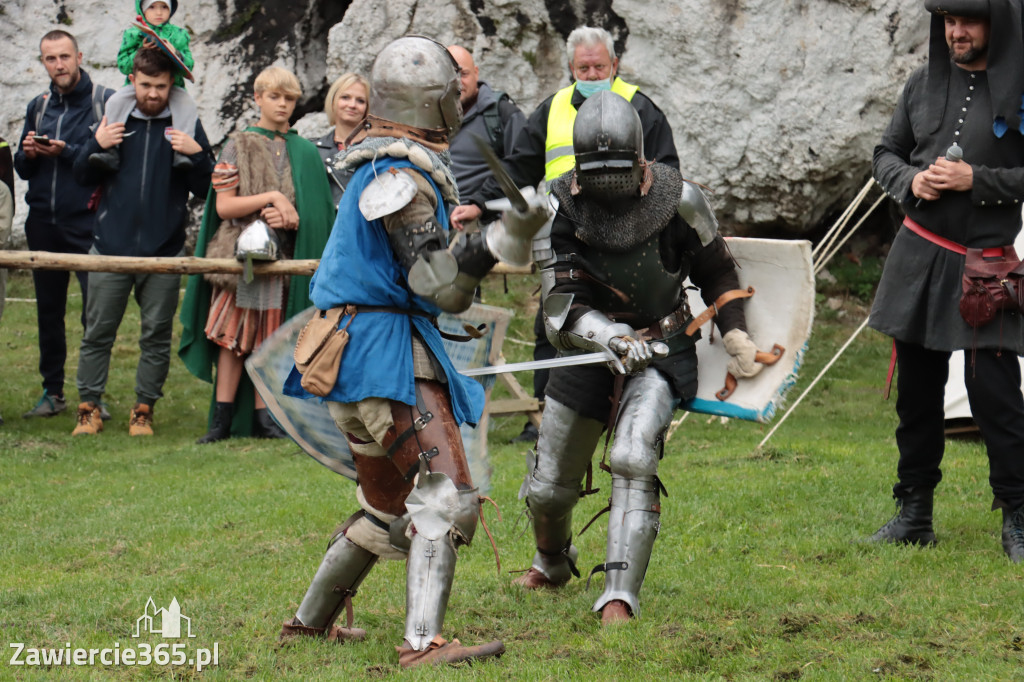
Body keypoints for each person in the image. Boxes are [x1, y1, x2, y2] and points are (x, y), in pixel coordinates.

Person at [278, 36, 549, 667]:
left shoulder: (380, 166)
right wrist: (505, 235)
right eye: (454, 91)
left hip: (351, 356)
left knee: (385, 508)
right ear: (436, 102)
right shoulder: (401, 178)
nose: (461, 100)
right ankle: (422, 643)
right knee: (443, 497)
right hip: (386, 359)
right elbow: (438, 286)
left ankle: (307, 624)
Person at [514, 91, 764, 624]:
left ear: (639, 160)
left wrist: (735, 331)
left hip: (662, 349)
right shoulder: (556, 205)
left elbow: (718, 271)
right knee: (548, 487)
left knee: (632, 456)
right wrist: (606, 335)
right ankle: (552, 560)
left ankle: (619, 594)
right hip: (588, 353)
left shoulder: (681, 201)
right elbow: (558, 305)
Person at [450, 26, 680, 444]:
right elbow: (519, 167)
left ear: (615, 65)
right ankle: (543, 419)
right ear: (570, 68)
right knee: (555, 323)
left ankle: (635, 411)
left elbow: (667, 175)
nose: (591, 75)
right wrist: (481, 204)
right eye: (583, 68)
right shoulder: (553, 107)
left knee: (630, 325)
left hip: (628, 242)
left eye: (598, 67)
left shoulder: (641, 109)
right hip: (565, 239)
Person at [868, 0, 1024, 562]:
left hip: (989, 267)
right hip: (920, 256)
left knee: (997, 397)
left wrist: (975, 179)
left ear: (997, 22)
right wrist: (912, 181)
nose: (956, 30)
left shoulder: (1022, 87)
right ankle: (914, 513)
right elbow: (884, 154)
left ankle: (1018, 518)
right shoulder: (921, 84)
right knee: (917, 395)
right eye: (949, 21)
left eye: (969, 20)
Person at [178, 66, 335, 443]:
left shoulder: (305, 151)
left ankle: (267, 418)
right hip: (241, 255)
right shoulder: (238, 144)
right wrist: (271, 197)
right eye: (275, 97)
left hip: (282, 258)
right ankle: (221, 419)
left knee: (271, 337)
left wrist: (293, 218)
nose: (282, 105)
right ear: (258, 98)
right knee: (233, 338)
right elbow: (224, 207)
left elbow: (316, 212)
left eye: (290, 98)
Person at [70, 47, 214, 436]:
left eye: (161, 86)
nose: (153, 94)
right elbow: (81, 175)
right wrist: (95, 144)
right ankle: (88, 409)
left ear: (171, 85)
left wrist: (198, 155)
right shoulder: (112, 117)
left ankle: (143, 410)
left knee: (155, 336)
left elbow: (208, 189)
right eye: (146, 85)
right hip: (109, 248)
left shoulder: (186, 124)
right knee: (97, 332)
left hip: (163, 251)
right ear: (133, 80)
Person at [14, 30, 114, 421]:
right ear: (43, 63)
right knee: (48, 311)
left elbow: (108, 161)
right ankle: (52, 392)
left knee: (96, 312)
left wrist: (67, 151)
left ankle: (94, 393)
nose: (59, 65)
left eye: (65, 57)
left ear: (79, 56)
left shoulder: (101, 102)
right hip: (43, 223)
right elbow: (24, 170)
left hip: (88, 222)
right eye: (51, 59)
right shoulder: (37, 106)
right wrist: (29, 152)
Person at [89, 0, 198, 172]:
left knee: (186, 105)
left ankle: (181, 152)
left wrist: (174, 53)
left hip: (171, 84)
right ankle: (111, 150)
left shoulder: (179, 35)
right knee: (116, 101)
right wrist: (141, 50)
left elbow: (189, 65)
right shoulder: (134, 33)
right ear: (142, 9)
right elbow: (123, 65)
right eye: (152, 7)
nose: (159, 12)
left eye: (164, 7)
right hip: (138, 87)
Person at [445, 45, 527, 219]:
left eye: (463, 74)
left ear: (476, 72)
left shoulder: (503, 115)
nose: (458, 82)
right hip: (438, 232)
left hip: (485, 231)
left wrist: (480, 205)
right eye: (450, 75)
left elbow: (522, 172)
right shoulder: (429, 121)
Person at [311, 73, 369, 209]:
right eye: (345, 97)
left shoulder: (381, 150)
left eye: (360, 100)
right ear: (333, 101)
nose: (352, 105)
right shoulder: (312, 150)